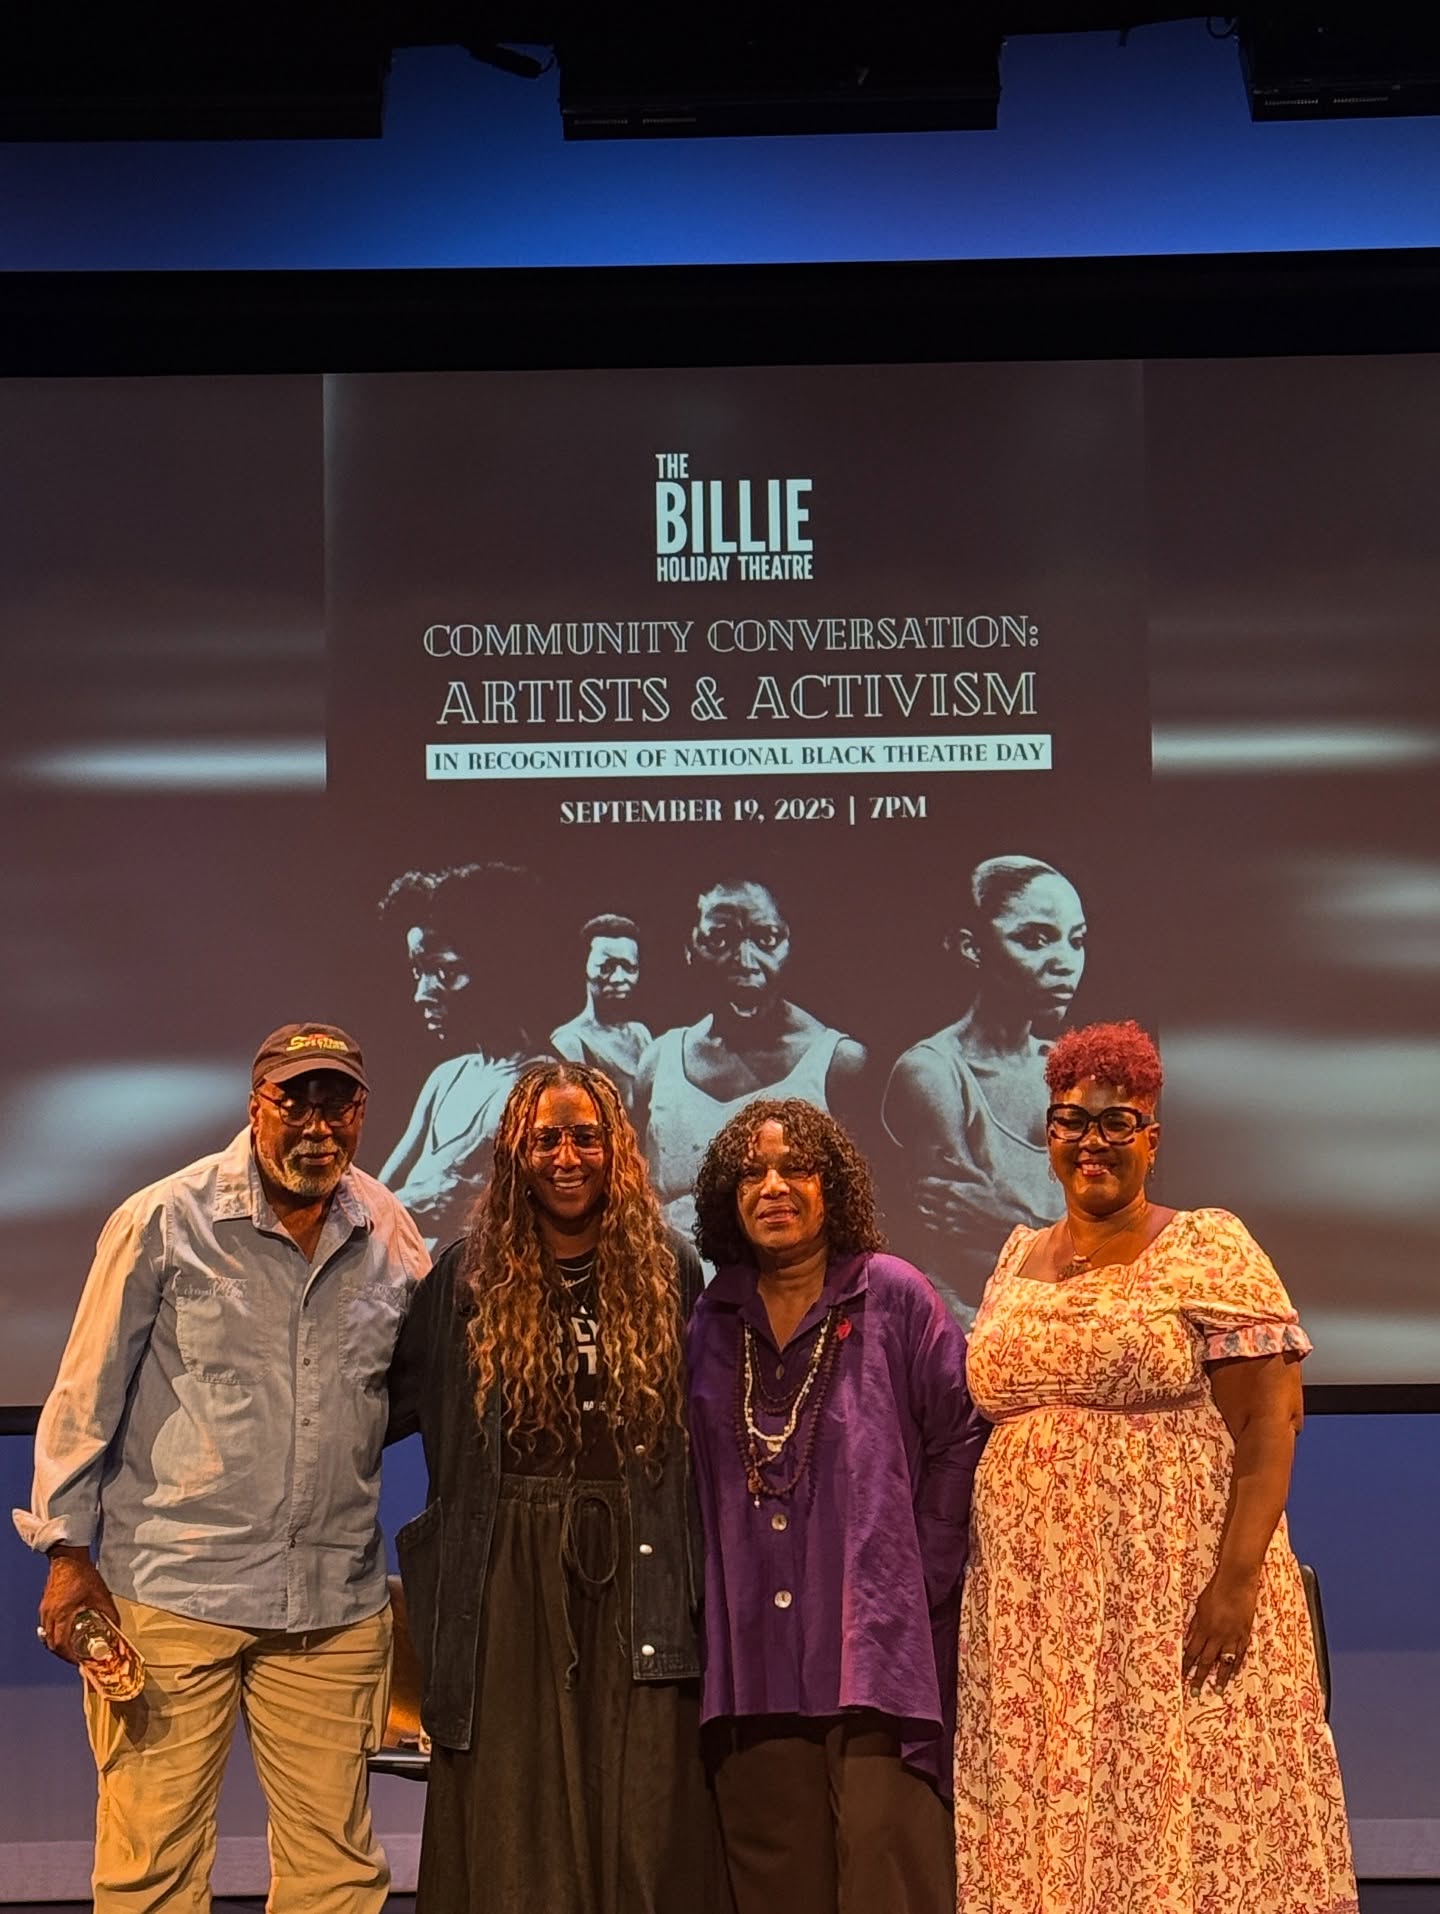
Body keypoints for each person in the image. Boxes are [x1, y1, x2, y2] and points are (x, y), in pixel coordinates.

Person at [14, 1023, 429, 1914]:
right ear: (256, 1104)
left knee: (338, 1877)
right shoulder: (164, 1218)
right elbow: (84, 1394)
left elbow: (416, 1393)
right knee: (151, 1872)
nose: (316, 1125)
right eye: (296, 1101)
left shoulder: (391, 1231)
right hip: (170, 1596)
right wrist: (62, 1552)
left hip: (330, 1607)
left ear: (361, 1112)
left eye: (338, 1103)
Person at [952, 1019, 1357, 1914]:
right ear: (1049, 1132)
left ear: (1151, 1137)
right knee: (1055, 1798)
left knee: (1185, 1795)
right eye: (1071, 1120)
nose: (1092, 1141)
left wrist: (1238, 1583)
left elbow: (1270, 1419)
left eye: (1116, 1122)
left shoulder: (1207, 1245)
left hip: (1168, 1588)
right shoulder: (1018, 1257)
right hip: (1036, 1610)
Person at [386, 1060, 731, 1914]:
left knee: (645, 1808)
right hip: (505, 1568)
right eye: (546, 1139)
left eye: (586, 1137)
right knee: (513, 1804)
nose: (567, 1156)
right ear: (515, 1152)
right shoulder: (466, 1277)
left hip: (640, 1565)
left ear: (616, 1151)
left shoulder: (669, 1268)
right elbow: (388, 1407)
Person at [686, 1097, 987, 1914]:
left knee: (890, 1879)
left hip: (874, 1659)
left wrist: (919, 1570)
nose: (774, 1187)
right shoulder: (710, 1320)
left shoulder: (889, 1296)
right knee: (775, 1887)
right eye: (752, 1172)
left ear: (834, 1187)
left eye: (796, 1169)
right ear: (726, 1195)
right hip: (753, 1665)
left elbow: (962, 1434)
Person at [883, 853, 1086, 1317]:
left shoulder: (1068, 1068)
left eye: (1076, 941)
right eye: (1035, 939)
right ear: (972, 947)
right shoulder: (932, 1072)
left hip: (1075, 1318)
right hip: (972, 1327)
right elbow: (962, 1247)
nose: (1065, 963)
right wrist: (1069, 1232)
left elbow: (1114, 1237)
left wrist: (1005, 1216)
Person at [636, 877, 868, 1240]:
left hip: (795, 1289)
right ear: (689, 947)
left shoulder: (838, 1064)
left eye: (767, 940)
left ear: (790, 944)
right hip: (672, 1286)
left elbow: (860, 1214)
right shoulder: (658, 1063)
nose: (745, 961)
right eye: (720, 939)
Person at [377, 861, 551, 1247]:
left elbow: (443, 1197)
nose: (421, 994)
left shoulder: (535, 1085)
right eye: (417, 972)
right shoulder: (445, 1077)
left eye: (441, 971)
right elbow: (373, 1196)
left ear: (495, 967)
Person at [550, 912, 654, 1112]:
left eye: (629, 967)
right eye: (605, 967)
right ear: (585, 966)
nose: (618, 978)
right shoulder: (569, 1041)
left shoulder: (640, 1033)